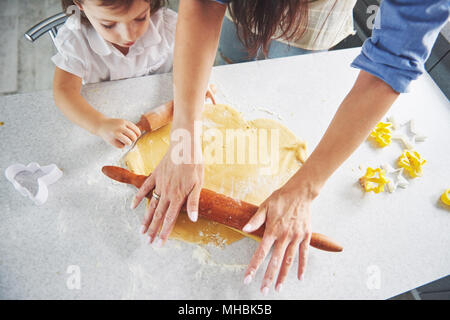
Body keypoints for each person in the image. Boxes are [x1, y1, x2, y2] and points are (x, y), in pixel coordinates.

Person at [131, 0, 450, 295]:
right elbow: (202, 6)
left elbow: (391, 61)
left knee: (286, 64)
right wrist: (184, 136)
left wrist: (305, 188)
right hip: (241, 11)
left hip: (314, 21)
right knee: (232, 52)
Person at [52, 0, 176, 148]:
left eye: (140, 18)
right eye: (109, 25)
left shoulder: (168, 24)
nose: (129, 35)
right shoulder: (76, 41)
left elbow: (191, 59)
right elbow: (64, 91)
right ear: (80, 5)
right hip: (103, 113)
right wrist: (99, 124)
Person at [217, 0, 357, 64]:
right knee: (230, 61)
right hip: (251, 3)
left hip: (318, 9)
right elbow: (205, 7)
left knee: (284, 81)